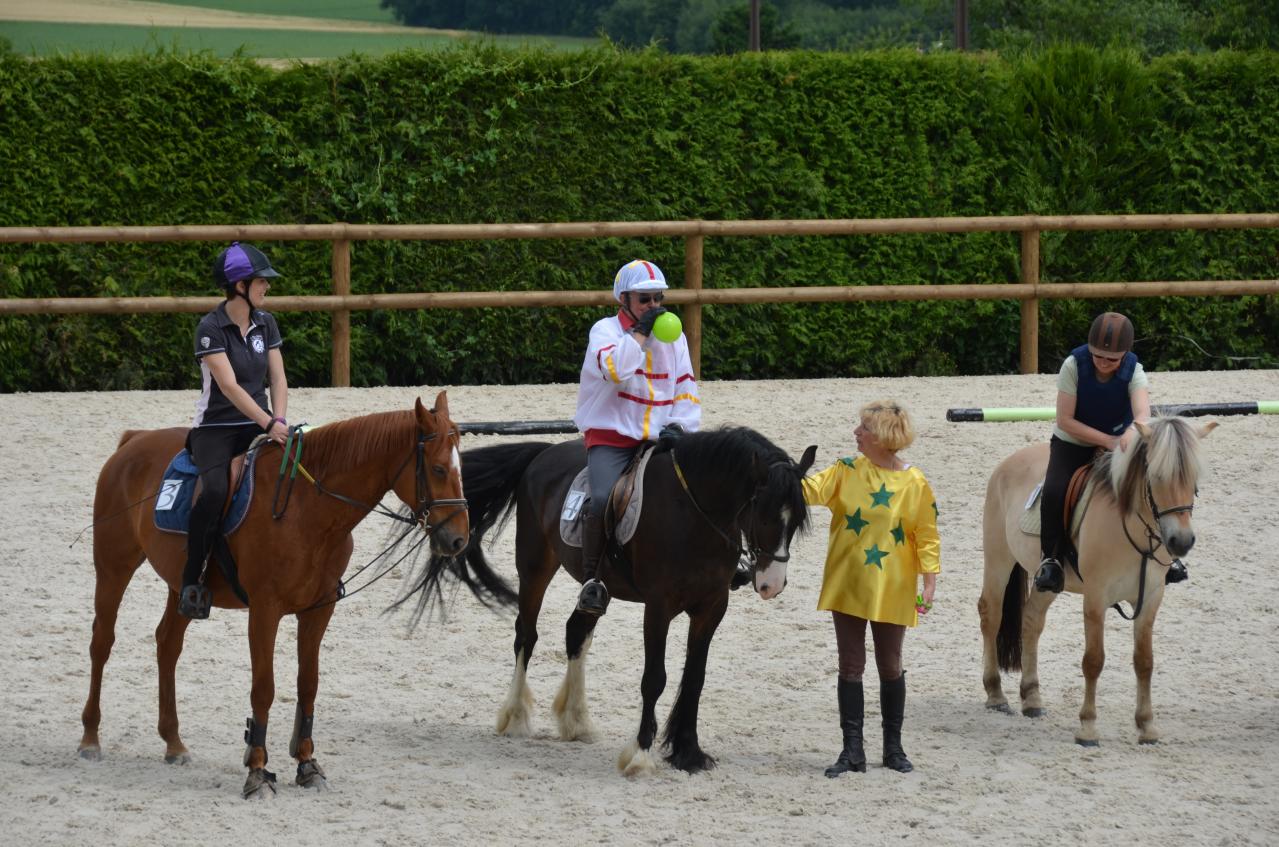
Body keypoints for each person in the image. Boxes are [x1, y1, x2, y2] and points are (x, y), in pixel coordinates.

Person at [802, 400, 939, 776]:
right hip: (848, 581)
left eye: (863, 428)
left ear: (881, 437)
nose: (856, 434)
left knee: (890, 664)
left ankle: (893, 748)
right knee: (850, 664)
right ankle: (852, 750)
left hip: (893, 585)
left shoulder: (914, 482)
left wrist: (929, 581)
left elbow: (926, 535)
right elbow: (804, 491)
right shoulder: (845, 471)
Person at [571, 259, 701, 616]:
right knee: (601, 498)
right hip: (611, 436)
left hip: (660, 436)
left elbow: (685, 386)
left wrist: (681, 426)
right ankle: (592, 580)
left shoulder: (674, 340)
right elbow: (615, 370)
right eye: (645, 299)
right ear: (624, 299)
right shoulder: (605, 331)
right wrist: (640, 334)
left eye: (658, 298)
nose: (654, 307)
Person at [178, 242, 290, 620]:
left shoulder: (266, 322)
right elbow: (228, 387)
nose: (267, 287)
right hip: (217, 429)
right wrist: (267, 422)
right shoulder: (210, 328)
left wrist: (281, 419)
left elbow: (278, 377)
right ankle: (193, 580)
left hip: (263, 422)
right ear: (239, 285)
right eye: (262, 281)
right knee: (214, 491)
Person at [1033, 311, 1164, 594]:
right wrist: (1107, 440)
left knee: (1155, 481)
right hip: (1074, 440)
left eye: (1112, 359)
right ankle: (1051, 559)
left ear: (1125, 354)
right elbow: (1064, 420)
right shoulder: (1073, 365)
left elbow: (1142, 412)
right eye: (1098, 356)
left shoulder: (1135, 370)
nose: (1104, 364)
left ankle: (1165, 554)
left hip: (1122, 439)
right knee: (1055, 489)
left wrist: (1130, 433)